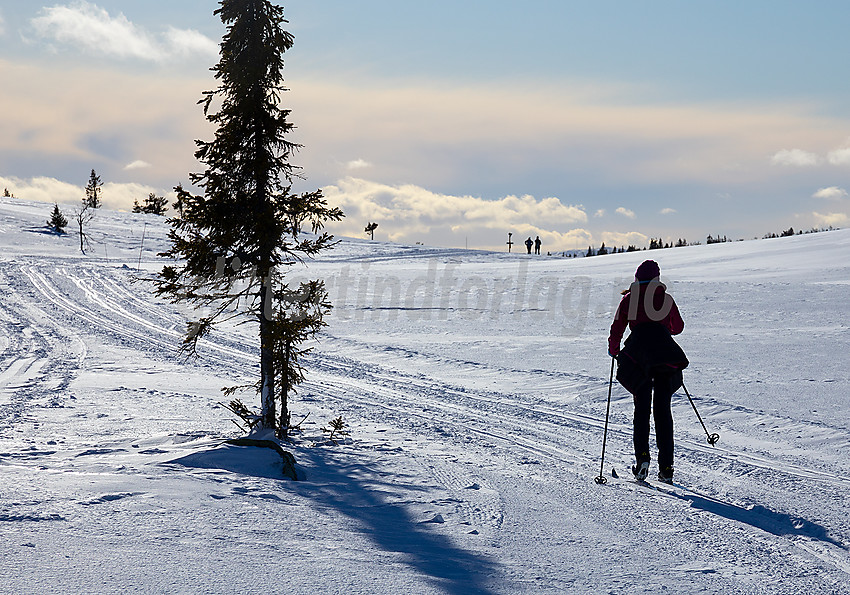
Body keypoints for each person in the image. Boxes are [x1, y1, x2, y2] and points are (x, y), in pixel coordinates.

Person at [607, 260, 688, 483]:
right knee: (663, 411)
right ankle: (667, 467)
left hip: (638, 357)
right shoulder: (665, 299)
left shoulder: (628, 299)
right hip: (664, 356)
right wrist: (662, 327)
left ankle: (642, 458)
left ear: (637, 278)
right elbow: (678, 327)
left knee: (641, 409)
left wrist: (614, 349)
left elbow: (617, 327)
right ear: (657, 279)